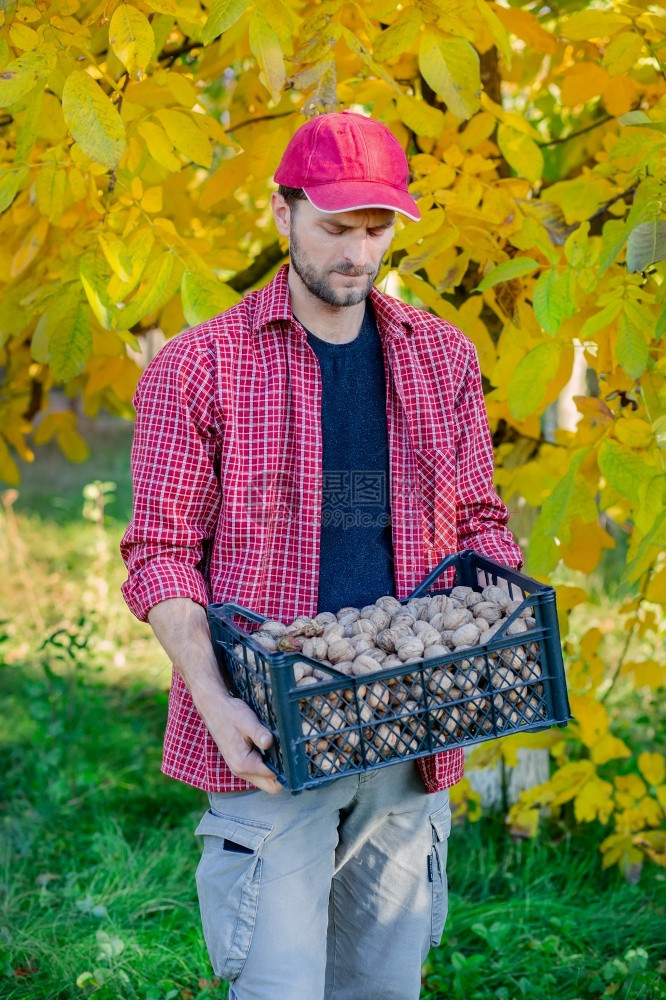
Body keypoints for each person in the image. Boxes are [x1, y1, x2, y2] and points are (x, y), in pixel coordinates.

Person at [120, 110, 523, 1000]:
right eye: (336, 228)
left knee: (384, 987)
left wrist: (505, 619)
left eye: (376, 229)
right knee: (278, 988)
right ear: (282, 214)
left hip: (412, 728)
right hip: (271, 739)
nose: (358, 251)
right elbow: (160, 555)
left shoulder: (442, 357)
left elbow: (482, 521)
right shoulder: (199, 367)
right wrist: (215, 700)